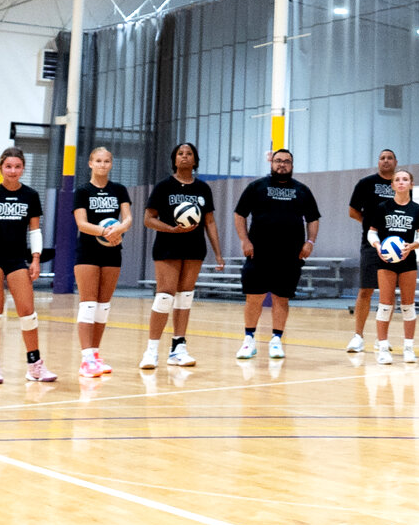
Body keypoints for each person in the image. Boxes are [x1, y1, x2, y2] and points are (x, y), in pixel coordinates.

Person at [0, 149, 52, 383]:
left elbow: (34, 230)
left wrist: (35, 259)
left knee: (28, 313)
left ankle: (35, 365)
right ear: (1, 168)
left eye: (17, 166)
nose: (13, 171)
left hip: (17, 260)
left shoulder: (31, 195)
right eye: (8, 166)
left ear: (23, 168)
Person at [140, 141, 219, 370]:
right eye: (180, 154)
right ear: (174, 159)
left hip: (194, 247)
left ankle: (178, 348)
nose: (184, 157)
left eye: (189, 154)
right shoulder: (164, 187)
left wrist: (218, 254)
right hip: (167, 246)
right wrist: (171, 229)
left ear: (195, 160)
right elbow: (148, 219)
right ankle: (151, 351)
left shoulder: (203, 188)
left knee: (185, 296)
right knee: (165, 296)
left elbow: (210, 222)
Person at [234, 147, 319, 360]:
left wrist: (310, 241)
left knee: (282, 299)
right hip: (259, 253)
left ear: (292, 165)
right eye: (278, 160)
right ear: (271, 163)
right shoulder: (256, 187)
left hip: (290, 255)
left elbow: (313, 218)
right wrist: (244, 240)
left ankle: (276, 340)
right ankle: (249, 340)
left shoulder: (302, 190)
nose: (282, 164)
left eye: (286, 161)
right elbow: (240, 214)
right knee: (254, 297)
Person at [70, 145, 134, 377]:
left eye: (106, 161)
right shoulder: (82, 191)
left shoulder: (119, 190)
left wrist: (120, 228)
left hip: (112, 251)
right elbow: (82, 224)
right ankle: (86, 359)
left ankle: (95, 354)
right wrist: (106, 230)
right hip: (88, 252)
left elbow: (127, 219)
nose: (102, 165)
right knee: (88, 304)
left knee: (103, 306)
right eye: (98, 161)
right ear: (90, 163)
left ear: (111, 164)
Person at [370, 168, 419, 365]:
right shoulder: (382, 207)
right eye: (398, 180)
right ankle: (383, 347)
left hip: (408, 261)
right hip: (386, 262)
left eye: (405, 179)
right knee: (385, 305)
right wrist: (378, 246)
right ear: (392, 185)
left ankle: (409, 347)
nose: (401, 182)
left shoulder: (417, 210)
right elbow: (372, 233)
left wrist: (412, 246)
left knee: (408, 306)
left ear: (411, 184)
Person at [344, 149, 398, 354]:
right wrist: (370, 225)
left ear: (395, 162)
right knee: (366, 289)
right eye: (382, 158)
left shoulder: (401, 183)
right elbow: (353, 211)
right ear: (378, 162)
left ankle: (381, 338)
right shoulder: (366, 183)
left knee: (388, 293)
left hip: (395, 245)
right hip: (371, 244)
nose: (386, 161)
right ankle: (358, 336)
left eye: (389, 158)